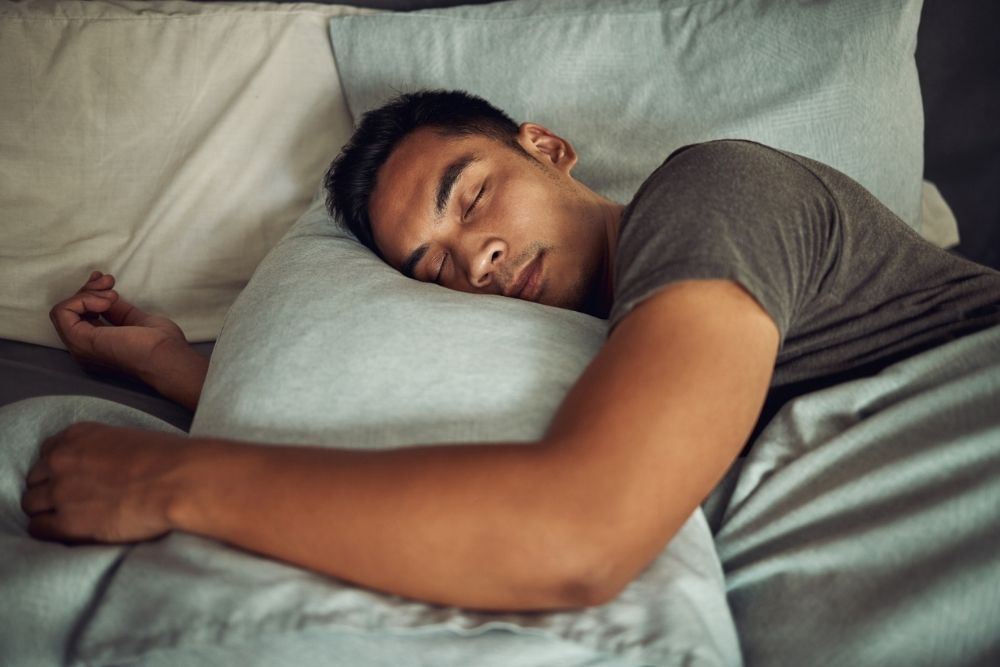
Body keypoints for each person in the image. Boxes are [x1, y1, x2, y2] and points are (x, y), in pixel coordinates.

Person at [21, 90, 1000, 613]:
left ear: (548, 145)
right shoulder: (598, 335)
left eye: (473, 195)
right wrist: (185, 372)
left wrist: (174, 480)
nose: (475, 259)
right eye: (433, 264)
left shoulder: (707, 192)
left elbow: (578, 536)